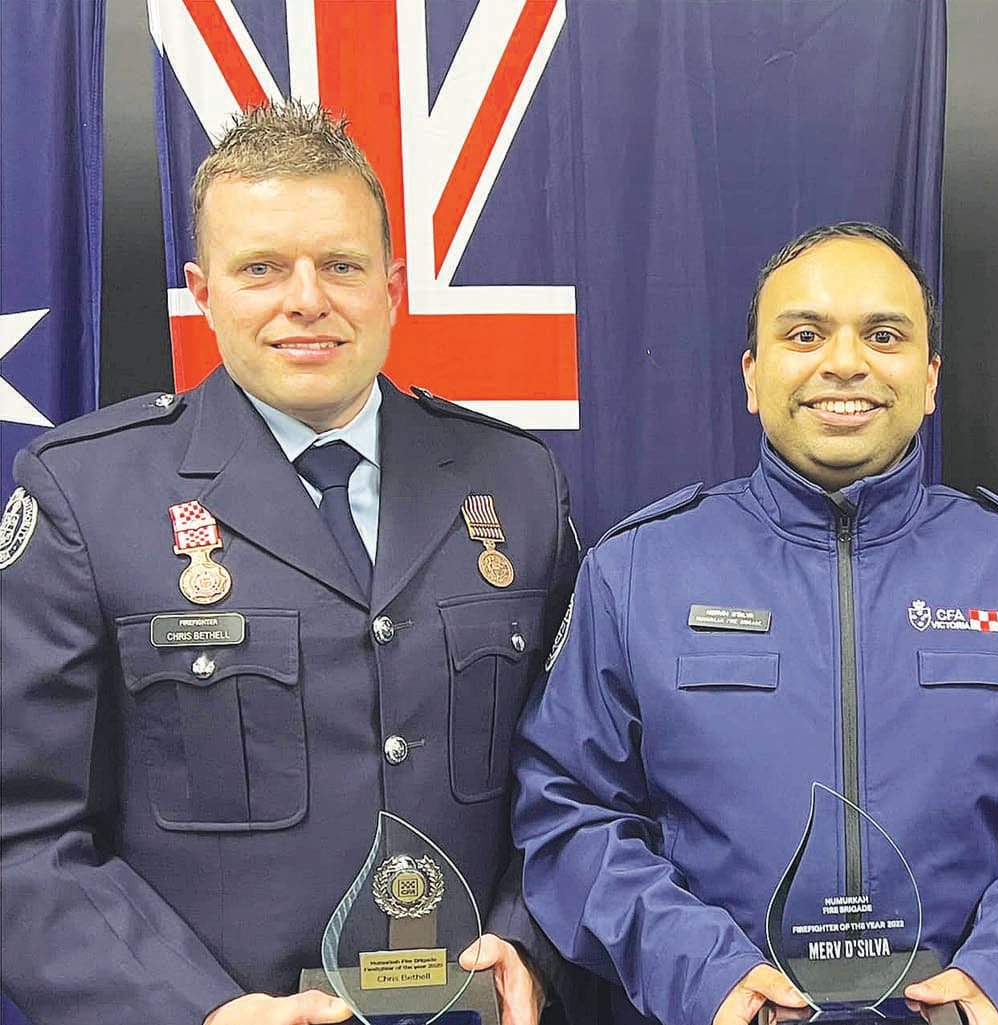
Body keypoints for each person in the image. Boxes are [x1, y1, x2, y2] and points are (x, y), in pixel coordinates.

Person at [0, 101, 590, 1025]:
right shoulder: (87, 497)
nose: (306, 299)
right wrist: (191, 1010)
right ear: (203, 290)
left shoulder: (514, 481)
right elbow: (22, 835)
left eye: (342, 265)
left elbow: (576, 780)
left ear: (392, 285)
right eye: (262, 268)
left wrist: (529, 943)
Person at [514, 221, 998, 1025]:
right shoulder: (636, 572)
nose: (845, 361)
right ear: (752, 376)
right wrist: (707, 980)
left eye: (883, 334)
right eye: (804, 333)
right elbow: (568, 814)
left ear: (929, 378)